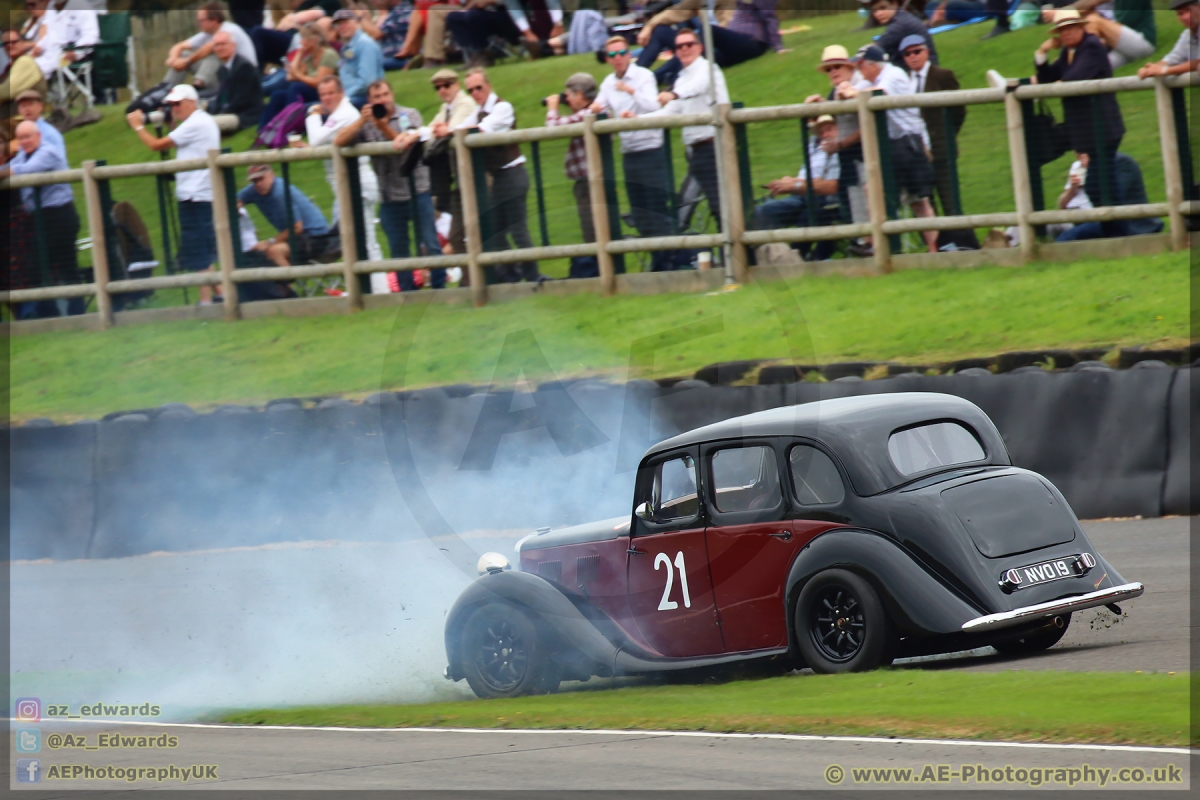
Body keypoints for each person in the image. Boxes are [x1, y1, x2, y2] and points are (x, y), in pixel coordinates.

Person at [334, 79, 443, 292]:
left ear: (392, 94)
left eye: (385, 95)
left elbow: (406, 145)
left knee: (430, 243)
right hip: (390, 196)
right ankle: (407, 294)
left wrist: (382, 125)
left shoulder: (409, 115)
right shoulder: (366, 121)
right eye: (376, 97)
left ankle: (440, 290)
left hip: (417, 190)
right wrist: (361, 121)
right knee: (398, 249)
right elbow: (339, 141)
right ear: (369, 101)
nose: (382, 100)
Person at [125, 83, 222, 305]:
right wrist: (171, 125)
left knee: (198, 250)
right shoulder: (198, 122)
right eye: (171, 105)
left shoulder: (196, 122)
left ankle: (206, 301)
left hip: (196, 195)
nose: (174, 109)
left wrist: (138, 126)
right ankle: (220, 292)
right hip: (196, 194)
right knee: (201, 249)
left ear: (191, 102)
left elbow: (156, 145)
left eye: (177, 104)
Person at [631, 29, 729, 238]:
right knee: (716, 204)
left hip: (716, 146)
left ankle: (742, 256)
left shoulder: (708, 68)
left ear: (699, 47)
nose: (684, 49)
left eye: (689, 44)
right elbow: (670, 111)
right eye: (679, 46)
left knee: (724, 206)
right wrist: (636, 121)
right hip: (698, 150)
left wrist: (674, 93)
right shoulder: (683, 78)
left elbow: (699, 86)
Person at [590, 36, 675, 271]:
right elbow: (599, 105)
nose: (617, 58)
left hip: (650, 150)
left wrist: (631, 92)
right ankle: (657, 263)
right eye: (612, 55)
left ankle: (668, 262)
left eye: (621, 53)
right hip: (629, 153)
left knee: (656, 208)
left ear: (629, 54)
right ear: (607, 59)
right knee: (640, 212)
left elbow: (654, 106)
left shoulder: (644, 76)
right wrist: (595, 109)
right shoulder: (607, 83)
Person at [843, 45, 939, 253]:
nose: (859, 72)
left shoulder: (892, 75)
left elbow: (878, 94)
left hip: (910, 143)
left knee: (919, 202)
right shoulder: (872, 79)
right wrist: (845, 91)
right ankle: (876, 244)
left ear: (873, 65)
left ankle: (934, 248)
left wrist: (851, 91)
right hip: (894, 146)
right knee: (874, 190)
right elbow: (860, 91)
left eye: (860, 66)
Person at [1036, 10, 1125, 216]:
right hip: (1087, 132)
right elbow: (1048, 77)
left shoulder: (1091, 46)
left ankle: (1120, 228)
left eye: (1069, 28)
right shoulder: (1069, 52)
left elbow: (1074, 78)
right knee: (1105, 184)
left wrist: (1056, 85)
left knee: (1099, 184)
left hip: (1103, 129)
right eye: (1061, 30)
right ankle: (1120, 229)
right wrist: (1042, 53)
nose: (1065, 34)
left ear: (1080, 27)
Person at [457, 67, 542, 283]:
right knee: (495, 230)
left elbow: (482, 129)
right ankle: (512, 275)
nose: (476, 93)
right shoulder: (477, 112)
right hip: (500, 177)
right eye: (471, 90)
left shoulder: (502, 107)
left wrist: (453, 131)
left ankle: (533, 276)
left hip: (513, 174)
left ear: (488, 86)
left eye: (479, 88)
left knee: (517, 229)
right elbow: (464, 127)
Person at [298, 75, 384, 263]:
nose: (326, 98)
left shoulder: (344, 113)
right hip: (347, 184)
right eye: (322, 95)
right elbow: (324, 143)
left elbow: (316, 138)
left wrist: (312, 114)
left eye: (331, 93)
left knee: (365, 242)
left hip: (357, 184)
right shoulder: (337, 115)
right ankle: (369, 288)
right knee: (354, 242)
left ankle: (379, 290)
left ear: (341, 92)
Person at [1, 120, 83, 318]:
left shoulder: (48, 151)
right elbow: (14, 165)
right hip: (43, 218)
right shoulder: (24, 154)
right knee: (58, 267)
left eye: (28, 136)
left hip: (59, 215)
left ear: (38, 135)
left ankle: (59, 314)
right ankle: (68, 313)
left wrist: (6, 171)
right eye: (21, 138)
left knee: (42, 266)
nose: (25, 141)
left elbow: (24, 170)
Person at [805, 45, 869, 254]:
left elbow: (867, 125)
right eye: (829, 69)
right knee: (854, 197)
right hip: (848, 156)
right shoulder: (834, 91)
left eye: (837, 66)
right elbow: (832, 124)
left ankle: (875, 244)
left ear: (850, 67)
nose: (833, 71)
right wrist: (817, 107)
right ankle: (864, 243)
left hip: (867, 154)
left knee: (868, 196)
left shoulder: (861, 85)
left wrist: (841, 144)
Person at [636, 0, 786, 87]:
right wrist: (649, 26)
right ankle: (636, 74)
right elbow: (674, 13)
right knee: (661, 31)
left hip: (726, 38)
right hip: (705, 42)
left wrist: (778, 47)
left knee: (699, 35)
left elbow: (732, 20)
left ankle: (655, 79)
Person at [755, 115, 841, 261]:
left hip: (823, 200)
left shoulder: (841, 152)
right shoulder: (816, 146)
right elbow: (807, 177)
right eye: (822, 131)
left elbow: (832, 186)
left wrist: (793, 185)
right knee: (761, 212)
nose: (825, 135)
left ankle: (795, 258)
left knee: (810, 213)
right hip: (801, 195)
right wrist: (788, 182)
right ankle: (761, 259)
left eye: (829, 129)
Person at [900, 34, 965, 217]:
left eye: (916, 51)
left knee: (949, 198)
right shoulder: (905, 81)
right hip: (917, 151)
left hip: (941, 148)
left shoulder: (943, 76)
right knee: (925, 201)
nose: (912, 56)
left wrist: (948, 135)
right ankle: (939, 243)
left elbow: (959, 110)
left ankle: (962, 241)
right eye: (907, 54)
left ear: (927, 51)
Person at [237, 163, 338, 267]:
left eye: (261, 179)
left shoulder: (279, 193)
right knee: (258, 257)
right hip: (299, 238)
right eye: (254, 181)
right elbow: (233, 202)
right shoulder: (254, 190)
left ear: (271, 175)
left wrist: (269, 242)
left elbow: (297, 228)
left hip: (315, 237)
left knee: (275, 251)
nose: (258, 184)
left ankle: (288, 281)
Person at [1054, 151, 1162, 241]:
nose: (1079, 156)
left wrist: (1091, 170)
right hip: (1079, 218)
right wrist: (1073, 188)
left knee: (1067, 237)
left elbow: (1111, 197)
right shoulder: (1077, 167)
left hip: (1117, 221)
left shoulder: (1121, 162)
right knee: (1053, 227)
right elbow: (1061, 204)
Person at [427, 68, 477, 260]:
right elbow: (433, 130)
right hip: (462, 182)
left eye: (446, 85)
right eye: (437, 87)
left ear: (456, 85)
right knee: (457, 238)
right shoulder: (446, 109)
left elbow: (449, 129)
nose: (442, 90)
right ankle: (469, 283)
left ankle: (501, 277)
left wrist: (441, 130)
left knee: (482, 235)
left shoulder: (464, 104)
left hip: (477, 179)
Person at [544, 73, 598, 245]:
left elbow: (553, 128)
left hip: (592, 183)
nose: (565, 98)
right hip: (587, 183)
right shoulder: (588, 112)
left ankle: (599, 268)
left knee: (593, 234)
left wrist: (553, 108)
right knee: (590, 232)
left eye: (568, 94)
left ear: (580, 94)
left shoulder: (591, 113)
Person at [162, 3, 258, 93]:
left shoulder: (229, 31)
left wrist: (187, 62)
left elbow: (208, 48)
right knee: (183, 54)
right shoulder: (208, 33)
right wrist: (173, 59)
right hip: (222, 76)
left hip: (240, 78)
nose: (198, 24)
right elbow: (179, 46)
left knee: (215, 53)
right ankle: (164, 89)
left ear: (214, 20)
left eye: (201, 21)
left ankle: (197, 88)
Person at [259, 23, 338, 131]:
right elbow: (290, 77)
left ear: (314, 40)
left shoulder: (328, 54)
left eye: (304, 39)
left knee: (296, 87)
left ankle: (290, 125)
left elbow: (319, 82)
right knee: (278, 95)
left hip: (325, 94)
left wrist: (299, 76)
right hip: (312, 92)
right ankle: (263, 131)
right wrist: (300, 53)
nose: (301, 42)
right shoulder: (309, 58)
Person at [207, 31, 263, 134]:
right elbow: (222, 97)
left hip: (245, 116)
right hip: (230, 112)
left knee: (208, 124)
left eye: (223, 44)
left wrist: (220, 114)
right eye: (216, 45)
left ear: (233, 45)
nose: (219, 48)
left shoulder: (244, 67)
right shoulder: (222, 70)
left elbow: (241, 101)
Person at [331, 9, 383, 107]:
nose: (342, 27)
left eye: (345, 22)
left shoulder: (365, 45)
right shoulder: (346, 47)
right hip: (350, 96)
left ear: (356, 22)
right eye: (339, 24)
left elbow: (368, 82)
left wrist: (344, 97)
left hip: (366, 98)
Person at [866, 0, 938, 68]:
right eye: (875, 11)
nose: (879, 14)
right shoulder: (902, 16)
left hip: (921, 73)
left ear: (894, 4)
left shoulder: (898, 25)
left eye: (883, 8)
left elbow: (870, 51)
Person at [1138, 0, 1198, 78]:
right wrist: (1151, 69)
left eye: (1188, 11)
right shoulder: (1187, 34)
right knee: (1169, 76)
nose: (1185, 17)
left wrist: (1164, 70)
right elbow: (1174, 57)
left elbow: (1197, 62)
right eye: (1180, 14)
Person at [398, 0, 464, 69]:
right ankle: (420, 53)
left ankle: (432, 57)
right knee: (421, 7)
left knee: (433, 10)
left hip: (468, 7)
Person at [1, 29, 47, 122]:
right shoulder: (11, 66)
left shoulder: (25, 61)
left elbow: (7, 91)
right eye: (6, 43)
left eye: (14, 42)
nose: (10, 45)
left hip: (25, 120)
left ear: (22, 43)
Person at [11, 90, 64, 157]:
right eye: (23, 106)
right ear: (19, 110)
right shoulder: (23, 131)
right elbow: (20, 160)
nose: (27, 109)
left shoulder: (49, 133)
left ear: (40, 106)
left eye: (30, 104)